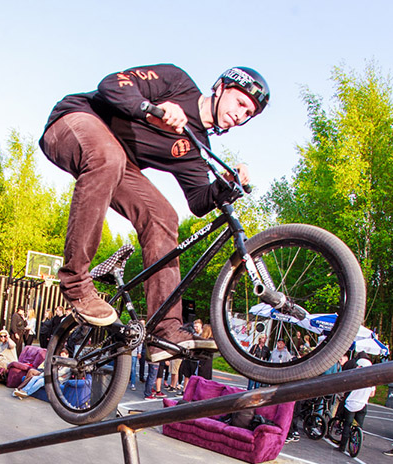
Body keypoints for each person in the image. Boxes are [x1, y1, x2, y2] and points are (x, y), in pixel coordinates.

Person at [39, 63, 268, 359]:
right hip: (75, 121)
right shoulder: (177, 82)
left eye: (247, 113)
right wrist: (150, 109)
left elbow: (199, 201)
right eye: (239, 103)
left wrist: (225, 184)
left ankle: (164, 329)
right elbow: (112, 84)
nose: (240, 115)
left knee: (163, 216)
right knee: (109, 157)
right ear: (221, 87)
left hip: (119, 163)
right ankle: (76, 281)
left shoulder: (195, 147)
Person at [335, 358, 374, 455]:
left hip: (351, 403)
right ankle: (357, 439)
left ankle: (342, 446)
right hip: (363, 404)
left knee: (347, 425)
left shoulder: (355, 377)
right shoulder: (372, 379)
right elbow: (372, 394)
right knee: (359, 425)